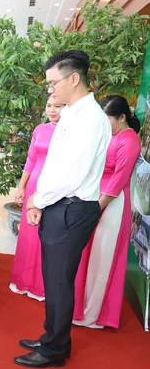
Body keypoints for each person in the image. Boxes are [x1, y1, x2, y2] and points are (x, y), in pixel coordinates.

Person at [17, 50, 111, 369]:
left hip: (72, 207)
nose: (50, 91)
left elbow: (71, 174)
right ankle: (54, 338)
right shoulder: (72, 113)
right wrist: (41, 200)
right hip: (60, 204)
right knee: (55, 278)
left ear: (74, 78)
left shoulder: (90, 118)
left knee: (59, 281)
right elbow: (55, 165)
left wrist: (37, 200)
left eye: (53, 83)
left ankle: (54, 350)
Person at [73, 96, 141, 329]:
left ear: (122, 118)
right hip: (93, 199)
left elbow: (118, 181)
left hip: (111, 205)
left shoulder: (129, 140)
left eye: (107, 119)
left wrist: (96, 209)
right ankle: (78, 308)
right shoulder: (108, 135)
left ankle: (93, 315)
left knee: (101, 259)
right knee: (86, 256)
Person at [10, 95, 64, 301]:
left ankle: (43, 286)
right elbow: (31, 159)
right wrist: (22, 186)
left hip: (55, 188)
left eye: (58, 106)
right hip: (34, 185)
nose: (52, 110)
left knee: (48, 235)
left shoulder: (70, 132)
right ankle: (24, 280)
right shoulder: (40, 130)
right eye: (49, 105)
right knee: (29, 235)